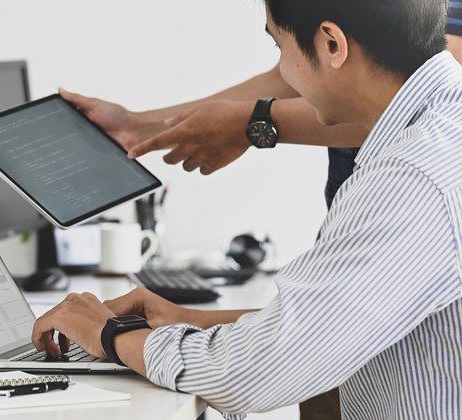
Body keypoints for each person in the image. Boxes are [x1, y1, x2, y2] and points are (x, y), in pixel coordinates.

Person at [31, 0, 462, 418]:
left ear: (332, 44)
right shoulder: (442, 129)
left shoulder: (412, 181)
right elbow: (340, 321)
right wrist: (190, 320)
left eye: (279, 47)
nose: (285, 75)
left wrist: (108, 335)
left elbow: (254, 374)